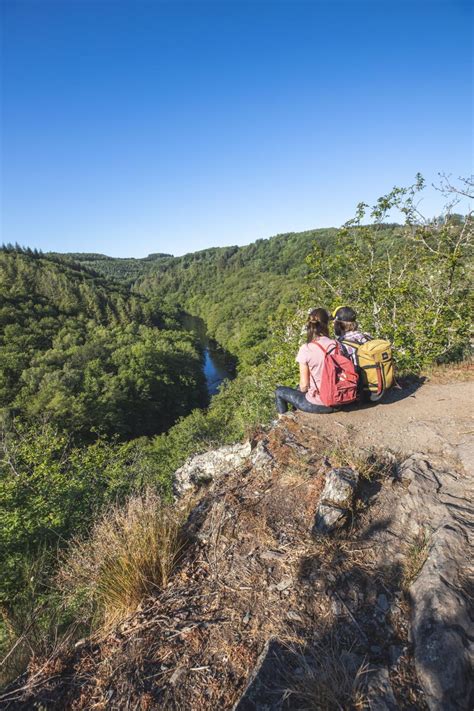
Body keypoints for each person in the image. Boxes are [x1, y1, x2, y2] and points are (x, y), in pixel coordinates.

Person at [275, 308, 336, 415]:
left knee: (279, 391)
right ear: (327, 324)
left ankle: (284, 421)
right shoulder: (337, 344)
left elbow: (304, 386)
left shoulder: (306, 348)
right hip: (339, 400)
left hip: (319, 404)